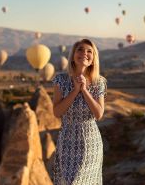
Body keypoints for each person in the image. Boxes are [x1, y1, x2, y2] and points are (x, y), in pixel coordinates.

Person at [51, 38, 107, 185]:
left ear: (94, 58)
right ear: (73, 55)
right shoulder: (61, 80)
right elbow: (57, 112)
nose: (84, 53)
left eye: (90, 51)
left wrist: (84, 90)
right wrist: (75, 90)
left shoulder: (98, 82)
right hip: (67, 140)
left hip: (90, 141)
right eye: (80, 50)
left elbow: (99, 114)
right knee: (68, 181)